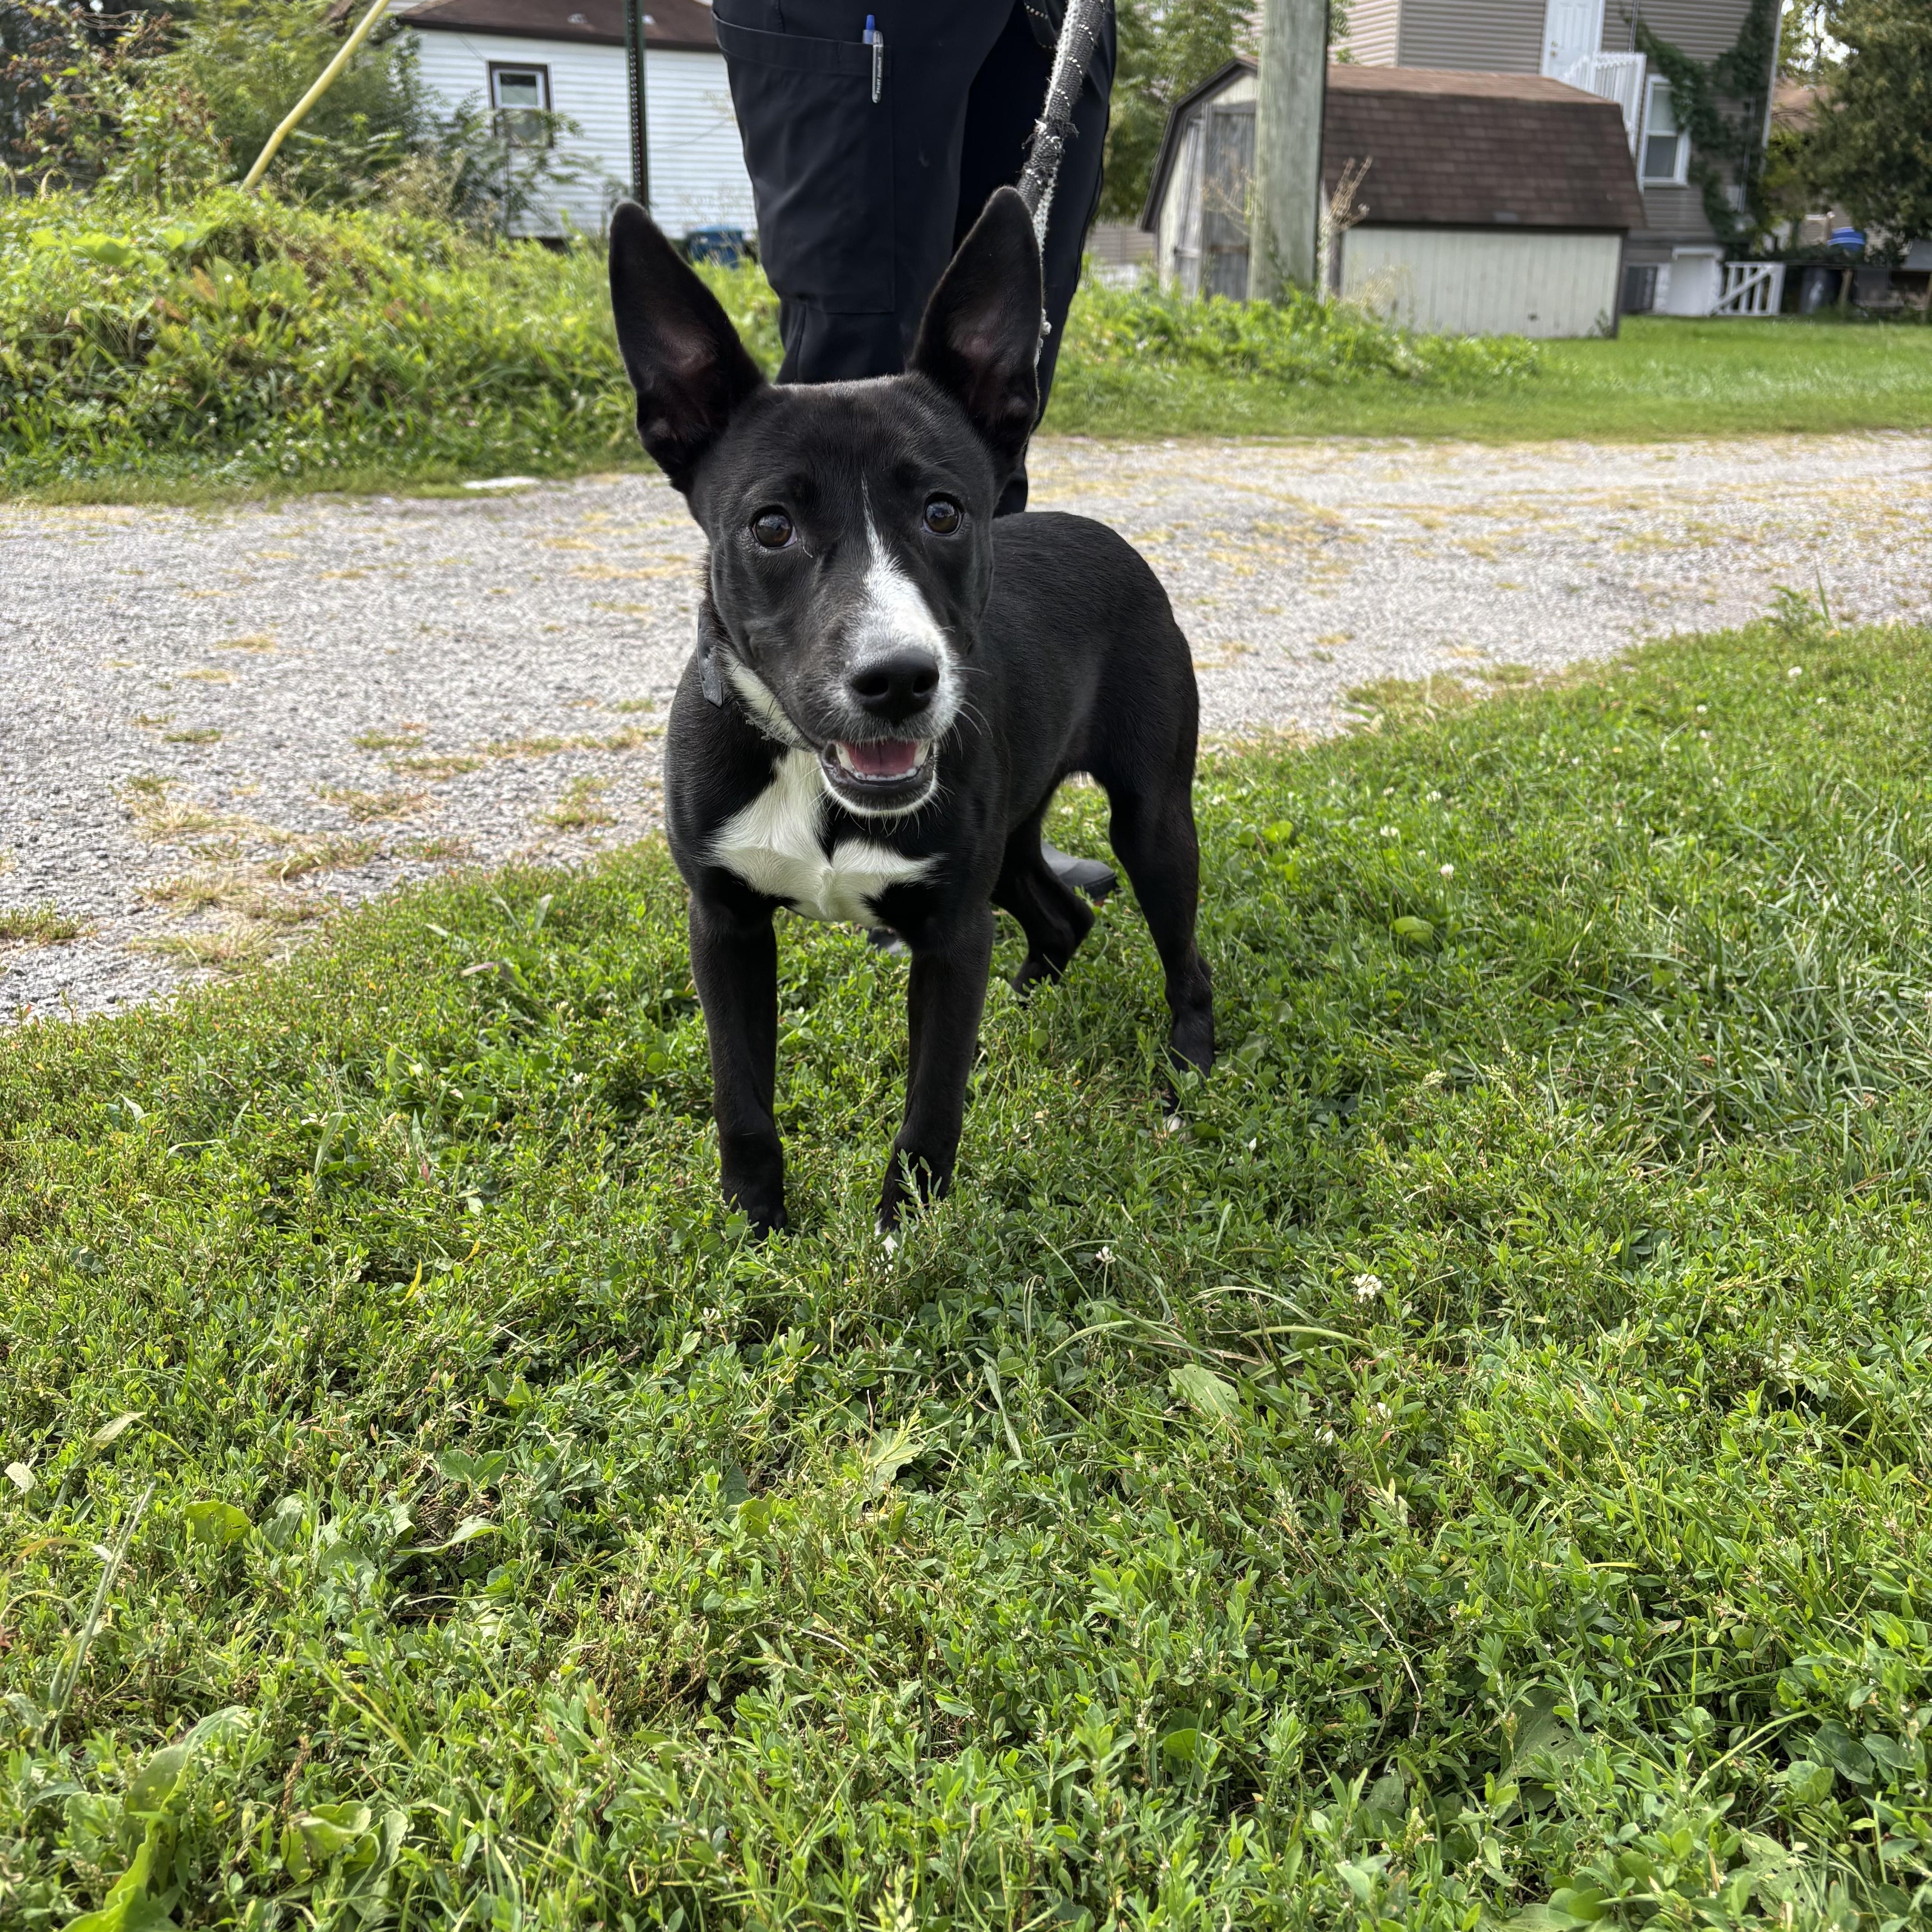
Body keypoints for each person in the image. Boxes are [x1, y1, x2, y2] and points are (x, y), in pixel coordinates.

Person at [712, 0, 1116, 518]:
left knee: (992, 408)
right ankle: (822, 598)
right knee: (849, 401)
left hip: (1054, 17)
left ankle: (972, 599)